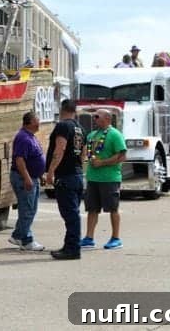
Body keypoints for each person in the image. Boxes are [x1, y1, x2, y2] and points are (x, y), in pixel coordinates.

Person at [44, 99, 86, 260]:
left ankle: (73, 249)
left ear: (62, 109)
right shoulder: (81, 129)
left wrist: (51, 172)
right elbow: (83, 155)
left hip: (66, 176)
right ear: (75, 111)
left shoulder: (63, 126)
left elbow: (59, 149)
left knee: (70, 215)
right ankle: (69, 245)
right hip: (76, 174)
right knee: (72, 214)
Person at [81, 109, 126, 251]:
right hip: (93, 178)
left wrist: (103, 163)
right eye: (93, 116)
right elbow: (88, 154)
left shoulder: (115, 135)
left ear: (107, 118)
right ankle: (89, 238)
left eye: (97, 116)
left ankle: (116, 238)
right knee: (92, 209)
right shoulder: (92, 135)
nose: (94, 119)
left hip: (109, 178)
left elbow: (122, 156)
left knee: (113, 208)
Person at [8, 111, 46, 251]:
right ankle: (25, 239)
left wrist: (40, 175)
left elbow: (34, 158)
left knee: (30, 209)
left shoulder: (31, 136)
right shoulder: (23, 138)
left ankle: (19, 236)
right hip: (23, 178)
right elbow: (20, 160)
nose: (39, 123)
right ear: (29, 123)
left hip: (32, 177)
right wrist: (27, 178)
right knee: (27, 210)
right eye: (37, 121)